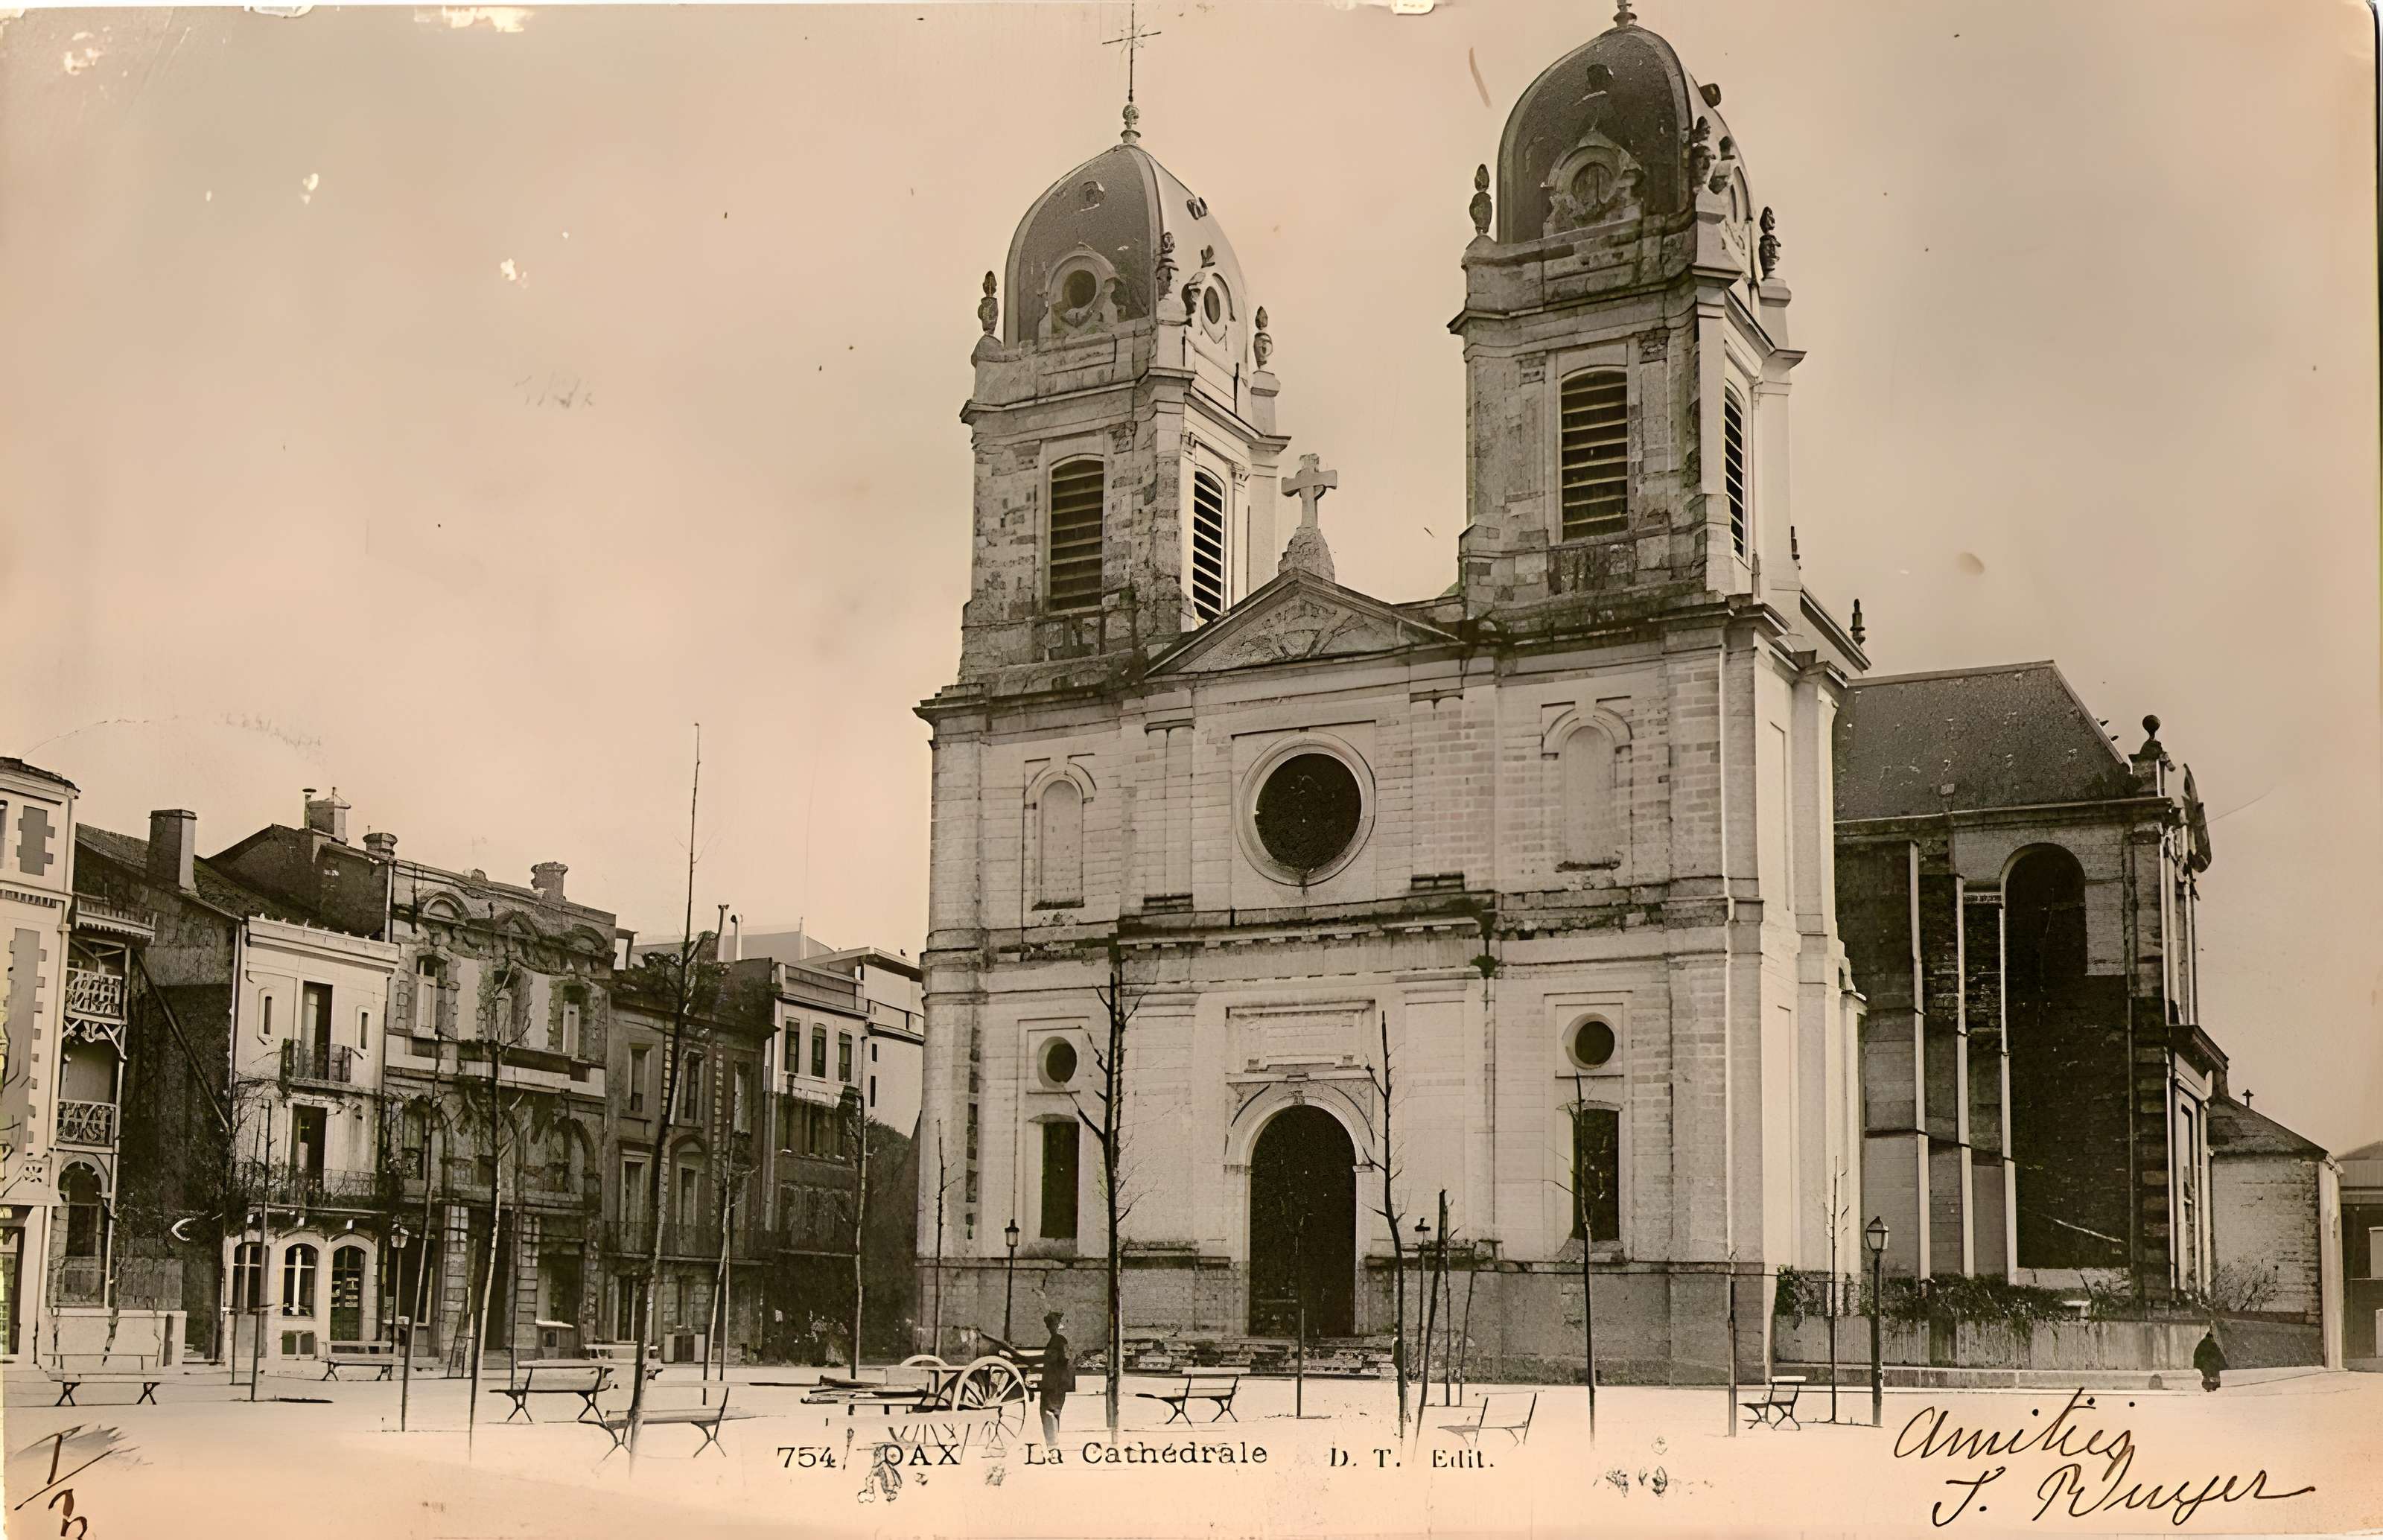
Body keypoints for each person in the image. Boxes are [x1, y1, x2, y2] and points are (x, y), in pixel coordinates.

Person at [1037, 1310, 1070, 1448]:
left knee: (1049, 1411)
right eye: (1050, 1325)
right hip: (1055, 1382)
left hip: (1054, 1383)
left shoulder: (1058, 1340)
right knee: (1053, 1412)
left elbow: (1056, 1359)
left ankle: (1052, 1446)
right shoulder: (1057, 1340)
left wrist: (1030, 1360)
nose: (1051, 1327)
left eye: (1054, 1324)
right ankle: (1053, 1445)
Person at [2194, 1325, 2227, 1392]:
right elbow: (2218, 1354)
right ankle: (2211, 1386)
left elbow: (2198, 1354)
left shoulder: (2204, 1343)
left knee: (2208, 1376)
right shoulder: (2212, 1344)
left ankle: (2210, 1386)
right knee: (2211, 1375)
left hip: (2208, 1364)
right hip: (2210, 1364)